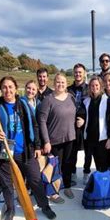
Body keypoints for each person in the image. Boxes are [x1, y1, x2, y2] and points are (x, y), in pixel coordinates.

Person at [0, 76, 56, 220]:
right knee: (6, 183)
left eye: (10, 87)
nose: (8, 90)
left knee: (35, 179)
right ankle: (10, 210)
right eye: (4, 87)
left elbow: (35, 126)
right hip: (3, 153)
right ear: (1, 89)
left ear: (16, 88)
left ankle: (44, 205)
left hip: (24, 151)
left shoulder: (23, 104)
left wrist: (37, 146)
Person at [38, 73, 78, 202]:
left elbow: (77, 112)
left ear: (66, 84)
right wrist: (46, 141)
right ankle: (52, 192)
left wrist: (81, 119)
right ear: (54, 84)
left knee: (68, 165)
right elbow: (42, 121)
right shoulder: (48, 99)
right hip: (54, 140)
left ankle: (66, 186)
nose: (60, 85)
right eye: (58, 82)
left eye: (63, 82)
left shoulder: (71, 98)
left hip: (70, 138)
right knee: (54, 167)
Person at [80, 76, 110, 174]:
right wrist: (81, 119)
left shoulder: (107, 101)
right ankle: (101, 184)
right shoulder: (86, 101)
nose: (94, 87)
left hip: (102, 139)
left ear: (100, 86)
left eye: (96, 85)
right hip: (90, 138)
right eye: (92, 85)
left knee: (106, 163)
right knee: (98, 165)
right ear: (89, 87)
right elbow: (81, 114)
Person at [67, 63, 90, 185]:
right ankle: (73, 173)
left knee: (88, 150)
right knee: (72, 151)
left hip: (85, 125)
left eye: (80, 72)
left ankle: (86, 172)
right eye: (76, 72)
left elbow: (93, 108)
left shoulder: (89, 88)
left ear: (84, 73)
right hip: (72, 125)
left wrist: (85, 120)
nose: (78, 74)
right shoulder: (69, 90)